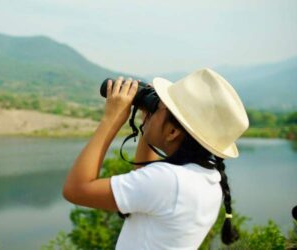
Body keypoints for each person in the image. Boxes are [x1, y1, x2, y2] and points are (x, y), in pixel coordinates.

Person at [62, 68, 249, 249]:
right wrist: (151, 121)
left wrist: (111, 119)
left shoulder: (170, 182)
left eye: (158, 108)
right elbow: (144, 185)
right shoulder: (204, 179)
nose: (151, 110)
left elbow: (76, 190)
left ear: (173, 131)